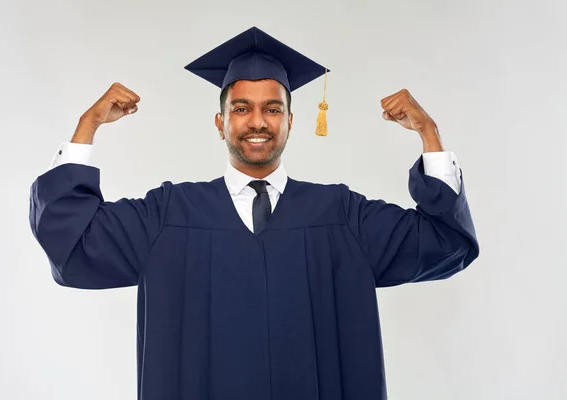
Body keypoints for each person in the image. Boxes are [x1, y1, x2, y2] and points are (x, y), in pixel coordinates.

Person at [29, 26, 479, 400]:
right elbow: (73, 246)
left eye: (272, 109)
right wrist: (87, 127)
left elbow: (447, 242)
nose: (257, 122)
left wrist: (429, 133)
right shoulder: (167, 214)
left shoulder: (342, 215)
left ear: (290, 121)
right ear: (221, 122)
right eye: (241, 108)